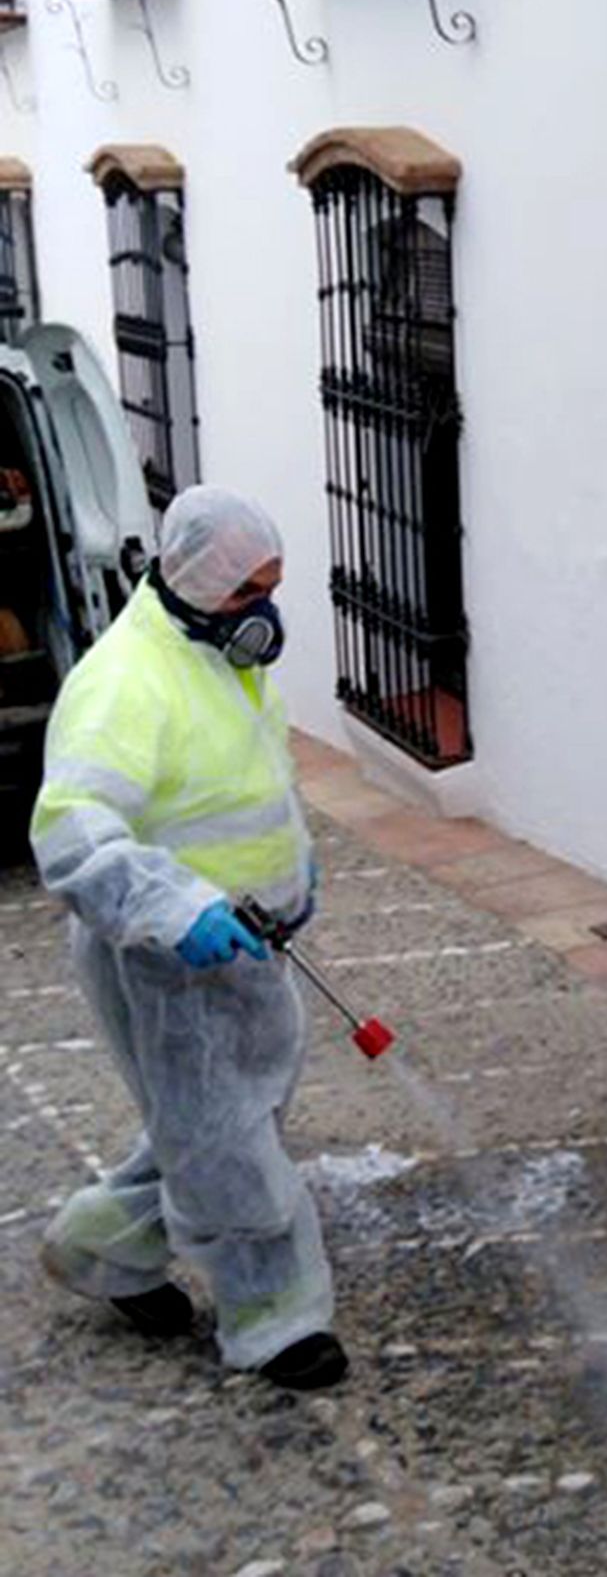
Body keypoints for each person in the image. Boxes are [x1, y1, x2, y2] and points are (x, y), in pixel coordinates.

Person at [28, 484, 345, 1390]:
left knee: (223, 1121)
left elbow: (254, 783)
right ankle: (276, 1320)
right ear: (200, 580)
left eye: (273, 586)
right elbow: (74, 828)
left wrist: (295, 870)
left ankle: (104, 1244)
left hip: (247, 947)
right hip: (169, 960)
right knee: (228, 1145)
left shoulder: (224, 661)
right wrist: (177, 911)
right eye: (251, 591)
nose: (267, 612)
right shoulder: (124, 683)